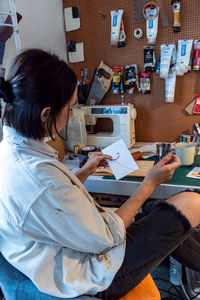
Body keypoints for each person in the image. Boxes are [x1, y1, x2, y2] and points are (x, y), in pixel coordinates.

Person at [0, 49, 199, 300]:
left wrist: (81, 174)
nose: (72, 114)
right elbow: (105, 238)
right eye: (70, 108)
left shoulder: (11, 152)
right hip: (89, 275)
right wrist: (148, 183)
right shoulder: (39, 178)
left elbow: (50, 209)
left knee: (154, 210)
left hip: (65, 252)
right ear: (46, 115)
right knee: (191, 203)